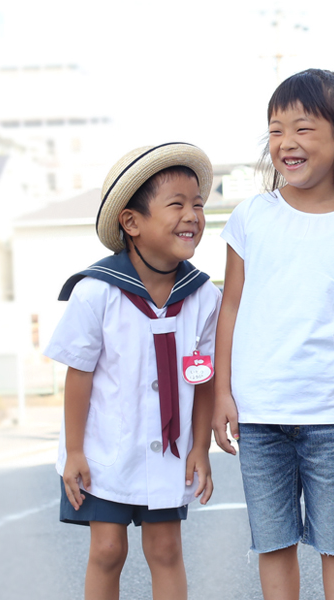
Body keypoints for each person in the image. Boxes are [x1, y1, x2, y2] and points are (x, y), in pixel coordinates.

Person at [213, 69, 334, 600]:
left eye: (302, 129)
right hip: (260, 413)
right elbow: (231, 306)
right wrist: (222, 392)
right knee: (271, 544)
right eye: (275, 131)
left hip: (330, 415)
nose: (286, 144)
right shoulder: (251, 216)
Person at [44, 143, 221, 600]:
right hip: (105, 447)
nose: (192, 215)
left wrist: (199, 446)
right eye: (177, 204)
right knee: (106, 549)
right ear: (132, 223)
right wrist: (76, 450)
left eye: (198, 204)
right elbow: (78, 375)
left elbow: (203, 379)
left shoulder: (202, 297)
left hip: (169, 451)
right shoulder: (96, 291)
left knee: (165, 550)